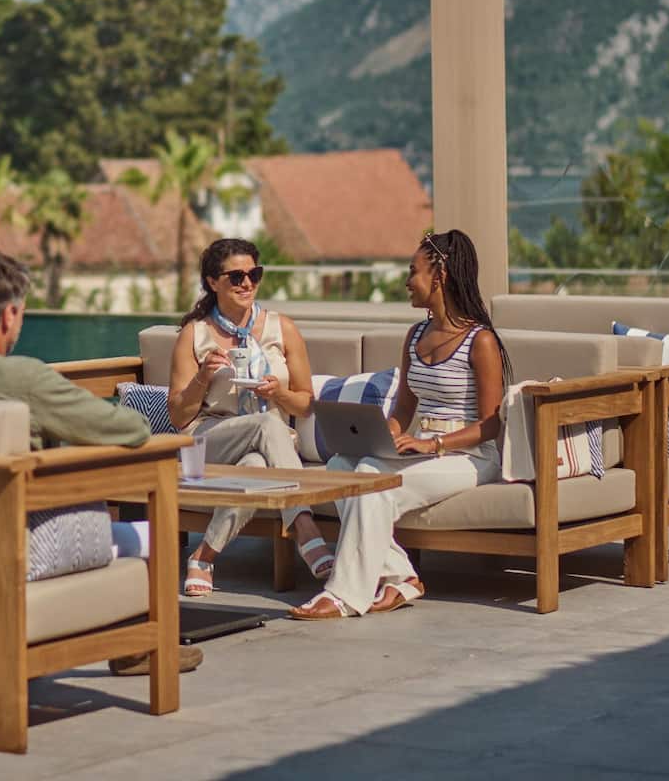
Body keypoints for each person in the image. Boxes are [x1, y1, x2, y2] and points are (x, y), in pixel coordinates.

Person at [0, 248, 201, 675]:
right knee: (150, 533)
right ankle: (141, 648)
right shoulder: (24, 379)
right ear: (9, 316)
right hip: (18, 548)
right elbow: (129, 431)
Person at [289, 229, 512, 619]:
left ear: (439, 276)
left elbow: (491, 425)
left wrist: (434, 445)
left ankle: (342, 595)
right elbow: (404, 410)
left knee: (373, 486)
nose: (407, 281)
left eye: (413, 271)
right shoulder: (415, 336)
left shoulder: (481, 342)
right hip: (421, 448)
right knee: (342, 468)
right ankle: (401, 577)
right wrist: (383, 435)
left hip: (469, 455)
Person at [167, 238, 333, 597]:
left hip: (271, 443)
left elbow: (304, 405)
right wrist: (203, 377)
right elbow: (179, 417)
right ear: (213, 282)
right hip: (209, 440)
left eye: (254, 274)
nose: (247, 284)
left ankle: (203, 555)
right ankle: (304, 526)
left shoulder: (282, 328)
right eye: (236, 276)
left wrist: (279, 395)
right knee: (267, 424)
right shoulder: (194, 335)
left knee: (257, 461)